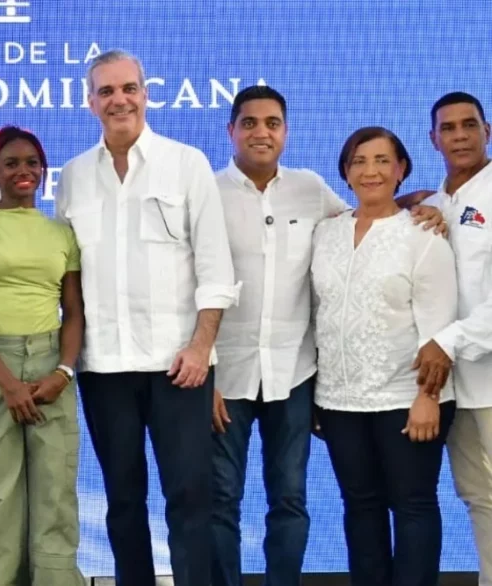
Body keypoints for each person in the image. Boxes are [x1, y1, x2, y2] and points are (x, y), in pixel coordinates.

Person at [210, 86, 446, 586]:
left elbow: (372, 214)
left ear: (285, 131)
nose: (261, 132)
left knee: (295, 500)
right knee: (223, 500)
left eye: (272, 122)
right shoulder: (207, 194)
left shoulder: (311, 189)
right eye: (249, 123)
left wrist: (416, 205)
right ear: (230, 130)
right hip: (241, 376)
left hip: (309, 378)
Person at [56, 49, 239, 586]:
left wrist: (202, 347)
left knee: (190, 498)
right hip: (103, 366)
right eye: (107, 91)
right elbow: (65, 274)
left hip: (177, 365)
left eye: (128, 88)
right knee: (122, 500)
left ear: (145, 93)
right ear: (90, 102)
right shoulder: (72, 177)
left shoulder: (186, 164)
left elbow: (215, 267)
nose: (119, 100)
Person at [311, 126, 458, 586]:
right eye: (358, 160)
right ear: (345, 171)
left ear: (401, 170)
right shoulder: (325, 232)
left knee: (413, 505)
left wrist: (428, 397)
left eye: (381, 160)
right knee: (360, 508)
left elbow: (439, 325)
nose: (369, 170)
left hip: (407, 398)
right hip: (339, 402)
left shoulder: (423, 233)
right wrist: (318, 394)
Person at [0, 126, 85, 586]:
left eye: (32, 163)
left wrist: (63, 372)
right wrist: (7, 383)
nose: (23, 171)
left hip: (51, 368)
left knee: (56, 500)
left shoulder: (61, 233)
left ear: (44, 172)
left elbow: (74, 311)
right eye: (11, 163)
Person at [421, 91, 492, 584]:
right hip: (453, 387)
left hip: (481, 370)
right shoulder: (432, 204)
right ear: (433, 139)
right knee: (480, 498)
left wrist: (449, 341)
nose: (460, 135)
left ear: (488, 130)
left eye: (470, 125)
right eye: (449, 128)